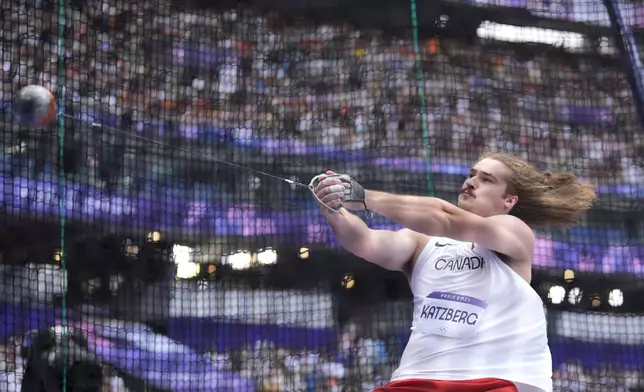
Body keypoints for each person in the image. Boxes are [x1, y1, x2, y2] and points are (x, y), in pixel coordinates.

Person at [313, 152, 596, 392]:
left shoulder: (515, 233)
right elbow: (366, 241)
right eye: (472, 174)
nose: (472, 181)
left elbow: (445, 217)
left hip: (497, 380)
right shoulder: (422, 243)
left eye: (487, 179)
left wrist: (365, 197)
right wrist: (334, 209)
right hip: (418, 379)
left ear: (509, 201)